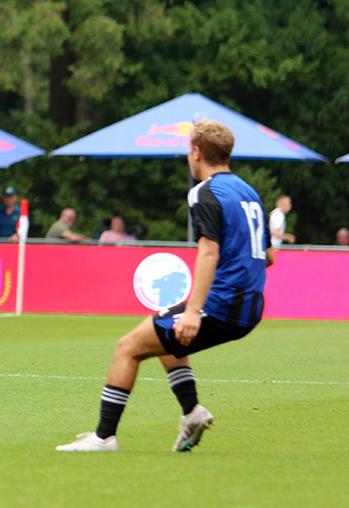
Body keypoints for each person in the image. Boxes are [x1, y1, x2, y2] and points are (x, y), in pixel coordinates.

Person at [56, 120, 274, 453]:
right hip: (252, 306)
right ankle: (192, 413)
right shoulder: (249, 192)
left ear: (197, 152)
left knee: (127, 347)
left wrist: (192, 312)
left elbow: (208, 253)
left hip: (223, 305)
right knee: (165, 334)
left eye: (189, 150)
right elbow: (268, 256)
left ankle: (104, 437)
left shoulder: (204, 191)